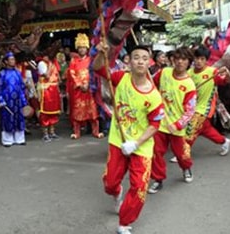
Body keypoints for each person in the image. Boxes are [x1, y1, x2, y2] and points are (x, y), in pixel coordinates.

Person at [93, 43, 164, 234]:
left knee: (140, 187)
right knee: (109, 183)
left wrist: (136, 143)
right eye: (136, 57)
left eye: (144, 58)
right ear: (129, 62)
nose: (140, 61)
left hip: (140, 146)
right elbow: (98, 68)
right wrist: (101, 52)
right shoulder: (120, 78)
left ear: (149, 62)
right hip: (118, 140)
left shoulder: (154, 96)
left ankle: (125, 222)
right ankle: (116, 194)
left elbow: (155, 125)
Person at [148, 47, 196, 194]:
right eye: (177, 58)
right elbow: (151, 84)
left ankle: (186, 168)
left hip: (176, 126)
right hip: (159, 122)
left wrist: (177, 124)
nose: (180, 62)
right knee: (156, 152)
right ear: (172, 59)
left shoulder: (189, 85)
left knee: (181, 154)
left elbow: (190, 110)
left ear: (189, 62)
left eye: (184, 59)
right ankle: (158, 179)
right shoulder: (164, 72)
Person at [186, 46, 230, 156]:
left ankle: (183, 152)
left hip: (205, 107)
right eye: (197, 58)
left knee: (192, 128)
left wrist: (227, 72)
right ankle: (224, 141)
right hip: (191, 106)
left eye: (202, 59)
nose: (199, 61)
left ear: (206, 60)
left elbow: (228, 80)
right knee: (205, 129)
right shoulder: (189, 73)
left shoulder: (213, 72)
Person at [67, 33, 103, 139]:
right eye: (80, 47)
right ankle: (77, 132)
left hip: (89, 88)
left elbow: (94, 72)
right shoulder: (74, 61)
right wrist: (79, 84)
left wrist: (89, 83)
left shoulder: (91, 60)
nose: (82, 50)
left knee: (92, 112)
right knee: (77, 112)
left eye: (84, 47)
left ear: (87, 48)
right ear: (77, 49)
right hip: (79, 90)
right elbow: (72, 73)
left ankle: (96, 132)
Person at [0, 52, 28, 147]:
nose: (13, 61)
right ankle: (7, 140)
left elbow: (21, 86)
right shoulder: (2, 74)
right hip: (7, 100)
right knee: (7, 119)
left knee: (19, 118)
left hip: (17, 100)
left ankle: (20, 139)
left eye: (14, 59)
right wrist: (1, 99)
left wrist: (23, 100)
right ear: (6, 61)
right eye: (11, 60)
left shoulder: (17, 73)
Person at [37, 54, 61, 143]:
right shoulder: (42, 64)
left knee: (54, 112)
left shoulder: (53, 63)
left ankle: (52, 132)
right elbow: (47, 76)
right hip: (46, 90)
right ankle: (45, 134)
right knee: (45, 113)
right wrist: (50, 66)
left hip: (53, 90)